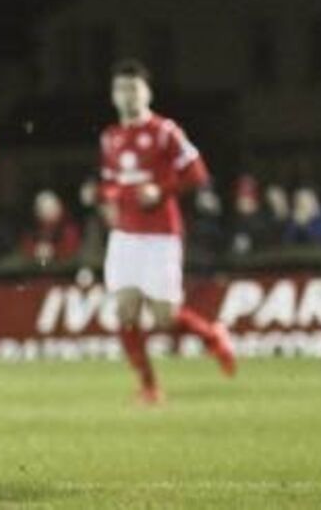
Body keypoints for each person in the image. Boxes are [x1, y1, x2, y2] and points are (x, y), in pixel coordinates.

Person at [97, 59, 235, 406]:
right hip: (124, 237)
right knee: (125, 311)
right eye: (121, 89)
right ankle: (149, 386)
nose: (128, 95)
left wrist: (161, 190)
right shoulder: (110, 138)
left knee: (165, 318)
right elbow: (110, 181)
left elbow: (197, 173)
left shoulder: (165, 131)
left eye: (134, 88)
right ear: (113, 95)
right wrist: (109, 199)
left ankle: (212, 336)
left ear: (148, 92)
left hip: (161, 235)